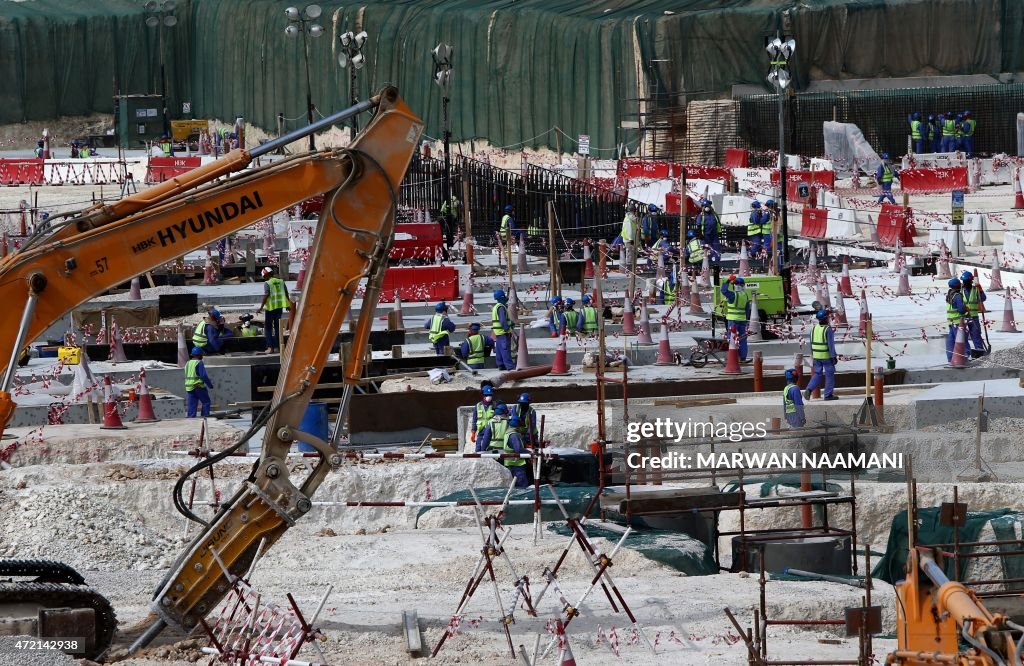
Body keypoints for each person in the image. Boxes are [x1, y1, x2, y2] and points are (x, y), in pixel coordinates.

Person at [478, 406, 529, 488]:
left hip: (494, 452)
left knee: (500, 475)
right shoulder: (508, 423)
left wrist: (482, 451)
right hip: (507, 453)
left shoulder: (491, 422)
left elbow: (486, 439)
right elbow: (517, 443)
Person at [805, 309, 838, 401]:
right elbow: (831, 345)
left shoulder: (814, 328)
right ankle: (828, 395)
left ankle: (809, 389)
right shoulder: (828, 329)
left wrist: (813, 355)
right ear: (826, 319)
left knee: (817, 374)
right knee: (829, 374)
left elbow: (811, 343)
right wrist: (834, 356)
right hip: (826, 356)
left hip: (816, 356)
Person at [258, 266, 289, 353]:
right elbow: (286, 293)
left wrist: (261, 307)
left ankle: (270, 347)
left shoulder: (268, 283)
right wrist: (288, 305)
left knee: (268, 328)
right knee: (277, 327)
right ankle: (278, 347)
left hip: (270, 308)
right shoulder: (281, 281)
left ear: (265, 275)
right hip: (279, 307)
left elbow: (266, 295)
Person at [720, 275, 751, 362]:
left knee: (732, 339)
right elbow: (747, 309)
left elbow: (723, 290)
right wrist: (746, 320)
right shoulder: (745, 296)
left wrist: (728, 281)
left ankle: (732, 358)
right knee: (742, 339)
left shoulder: (733, 295)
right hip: (742, 321)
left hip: (733, 321)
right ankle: (743, 357)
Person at [961, 270, 988, 356]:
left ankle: (979, 350)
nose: (965, 283)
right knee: (963, 336)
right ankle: (967, 352)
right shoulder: (960, 291)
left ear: (970, 281)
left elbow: (983, 298)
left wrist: (981, 290)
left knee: (976, 334)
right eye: (964, 281)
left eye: (966, 281)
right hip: (964, 317)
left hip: (974, 316)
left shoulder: (975, 290)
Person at [185, 347, 214, 417]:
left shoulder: (188, 363)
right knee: (206, 402)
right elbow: (203, 376)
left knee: (192, 404)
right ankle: (205, 417)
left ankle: (191, 418)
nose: (202, 356)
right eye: (201, 355)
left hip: (189, 387)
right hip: (198, 386)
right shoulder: (199, 362)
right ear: (198, 355)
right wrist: (210, 385)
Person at [945, 278, 969, 363]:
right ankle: (965, 356)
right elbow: (961, 309)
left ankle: (950, 358)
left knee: (951, 341)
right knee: (962, 340)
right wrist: (966, 309)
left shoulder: (949, 295)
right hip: (958, 322)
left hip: (951, 322)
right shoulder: (958, 296)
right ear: (958, 286)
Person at [491, 289, 516, 370]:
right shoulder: (501, 307)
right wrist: (508, 328)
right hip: (503, 332)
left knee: (499, 349)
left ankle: (501, 365)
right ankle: (509, 366)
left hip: (498, 332)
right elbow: (502, 320)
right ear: (502, 297)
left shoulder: (495, 307)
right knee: (505, 350)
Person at [620, 203, 638, 268]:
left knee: (631, 253)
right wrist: (631, 239)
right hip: (628, 239)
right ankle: (630, 267)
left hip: (628, 239)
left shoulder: (629, 218)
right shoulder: (629, 219)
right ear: (633, 211)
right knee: (630, 253)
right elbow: (629, 230)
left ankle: (631, 266)